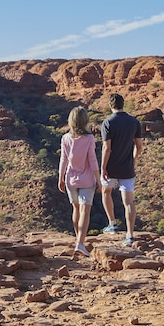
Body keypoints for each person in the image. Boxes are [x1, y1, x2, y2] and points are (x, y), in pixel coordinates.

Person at [100, 93, 143, 246]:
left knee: (106, 192)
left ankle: (112, 224)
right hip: (127, 167)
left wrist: (103, 167)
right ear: (123, 104)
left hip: (111, 167)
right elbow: (139, 146)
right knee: (128, 201)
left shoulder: (107, 123)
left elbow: (107, 148)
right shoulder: (134, 122)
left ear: (110, 105)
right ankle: (130, 235)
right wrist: (133, 159)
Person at [58, 106, 100, 257]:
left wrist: (60, 177)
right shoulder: (89, 139)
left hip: (70, 179)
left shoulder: (65, 138)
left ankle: (78, 240)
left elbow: (63, 160)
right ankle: (80, 244)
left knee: (76, 209)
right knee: (85, 211)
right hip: (87, 180)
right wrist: (98, 179)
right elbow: (93, 160)